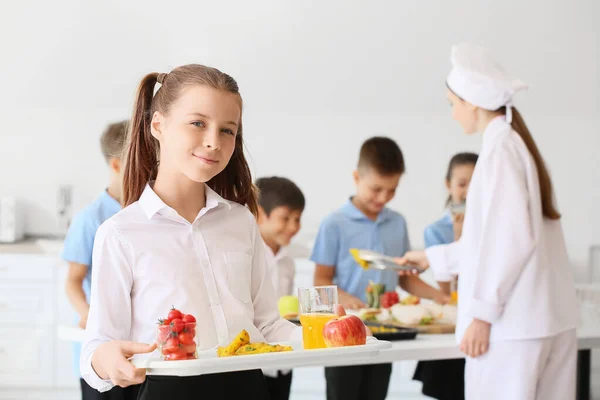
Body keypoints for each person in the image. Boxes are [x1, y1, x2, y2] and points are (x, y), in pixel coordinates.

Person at [80, 65, 301, 399]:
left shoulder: (242, 222)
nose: (214, 142)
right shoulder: (120, 233)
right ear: (158, 125)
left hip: (249, 387)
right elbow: (96, 348)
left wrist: (324, 332)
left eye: (228, 130)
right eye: (198, 123)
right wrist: (104, 359)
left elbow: (267, 325)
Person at [397, 44, 578, 400]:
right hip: (543, 321)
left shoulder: (499, 153)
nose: (452, 115)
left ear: (473, 103)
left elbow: (509, 243)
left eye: (453, 104)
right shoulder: (515, 146)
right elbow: (492, 240)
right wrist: (433, 258)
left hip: (513, 329)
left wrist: (481, 316)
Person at [311, 136, 449, 400]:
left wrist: (439, 297)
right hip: (343, 336)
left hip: (384, 332)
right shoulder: (334, 224)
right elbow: (321, 280)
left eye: (392, 190)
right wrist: (348, 300)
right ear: (356, 177)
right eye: (376, 189)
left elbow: (404, 278)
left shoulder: (397, 223)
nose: (383, 197)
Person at [62, 120, 135, 400]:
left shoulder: (147, 213)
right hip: (100, 345)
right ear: (116, 166)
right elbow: (73, 281)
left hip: (137, 344)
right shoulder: (89, 219)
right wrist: (87, 314)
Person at [413, 152, 478, 400]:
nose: (468, 191)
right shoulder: (436, 231)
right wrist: (460, 237)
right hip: (453, 322)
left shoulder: (492, 227)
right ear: (448, 185)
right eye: (462, 183)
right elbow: (448, 289)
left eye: (475, 183)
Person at [255, 176, 305, 400]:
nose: (293, 227)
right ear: (258, 213)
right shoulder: (248, 255)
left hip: (283, 359)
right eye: (285, 218)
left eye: (297, 219)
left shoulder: (287, 261)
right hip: (253, 363)